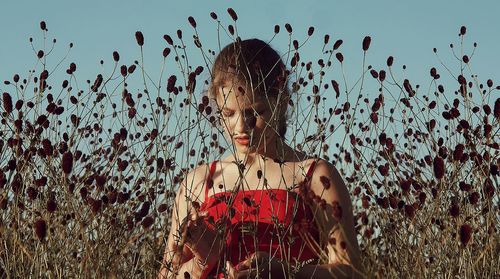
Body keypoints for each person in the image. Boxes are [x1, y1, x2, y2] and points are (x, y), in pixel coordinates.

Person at [158, 38, 363, 279]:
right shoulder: (197, 183)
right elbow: (167, 275)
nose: (241, 127)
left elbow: (351, 272)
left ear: (282, 102)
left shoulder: (315, 177)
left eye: (255, 112)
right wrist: (202, 261)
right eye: (229, 113)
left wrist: (284, 272)